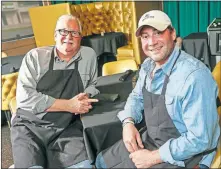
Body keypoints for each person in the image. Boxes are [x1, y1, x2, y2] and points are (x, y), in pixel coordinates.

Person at [95, 10, 220, 168]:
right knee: (102, 162)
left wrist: (153, 157)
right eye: (145, 36)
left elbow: (201, 139)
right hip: (154, 139)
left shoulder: (194, 77)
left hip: (187, 154)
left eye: (158, 33)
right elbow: (136, 97)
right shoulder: (148, 66)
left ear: (172, 34)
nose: (152, 42)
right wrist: (128, 122)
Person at [11, 14, 100, 168]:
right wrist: (70, 105)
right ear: (55, 35)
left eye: (74, 33)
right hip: (29, 126)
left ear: (81, 37)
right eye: (63, 32)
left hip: (66, 127)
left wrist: (87, 96)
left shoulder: (88, 55)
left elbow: (93, 84)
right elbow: (25, 99)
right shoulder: (35, 57)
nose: (68, 37)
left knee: (84, 166)